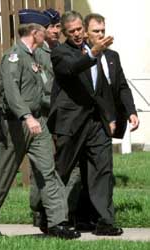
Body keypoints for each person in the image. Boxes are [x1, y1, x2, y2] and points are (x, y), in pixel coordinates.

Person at [0, 9, 80, 240]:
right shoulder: (13, 57)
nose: (48, 35)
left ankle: (58, 223)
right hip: (16, 124)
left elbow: (45, 89)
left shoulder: (37, 56)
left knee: (48, 171)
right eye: (44, 31)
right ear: (35, 33)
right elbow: (12, 92)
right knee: (2, 175)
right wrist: (27, 117)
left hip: (38, 123)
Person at [47, 10, 123, 236]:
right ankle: (49, 217)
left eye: (80, 29)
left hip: (96, 122)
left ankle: (104, 221)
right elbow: (72, 68)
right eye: (72, 31)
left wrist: (110, 117)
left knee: (102, 169)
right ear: (64, 32)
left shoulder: (93, 50)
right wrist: (93, 54)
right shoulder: (60, 53)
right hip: (71, 123)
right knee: (63, 170)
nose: (78, 34)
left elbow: (100, 89)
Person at [74, 13, 139, 234]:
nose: (101, 35)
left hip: (105, 122)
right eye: (96, 31)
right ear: (85, 32)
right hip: (81, 122)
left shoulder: (112, 56)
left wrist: (130, 112)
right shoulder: (77, 57)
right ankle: (82, 216)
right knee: (82, 171)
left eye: (103, 30)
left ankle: (104, 220)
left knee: (103, 170)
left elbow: (121, 86)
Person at [29, 8, 61, 229]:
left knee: (55, 165)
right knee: (42, 166)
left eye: (58, 26)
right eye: (52, 27)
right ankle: (40, 212)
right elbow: (43, 87)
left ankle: (55, 212)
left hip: (59, 115)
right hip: (45, 114)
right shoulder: (39, 53)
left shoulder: (58, 49)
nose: (56, 31)